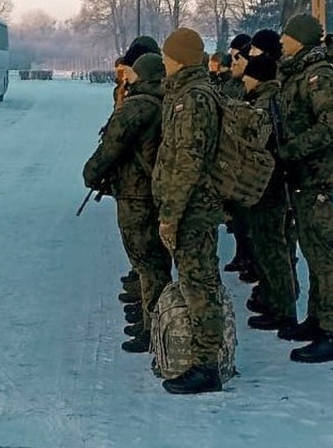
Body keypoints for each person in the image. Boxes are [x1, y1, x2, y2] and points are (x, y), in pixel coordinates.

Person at [152, 28, 225, 394]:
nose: (163, 61)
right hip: (191, 209)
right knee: (197, 284)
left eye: (167, 55)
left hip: (193, 211)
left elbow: (188, 163)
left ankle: (206, 366)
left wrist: (171, 215)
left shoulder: (193, 100)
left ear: (178, 58)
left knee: (199, 288)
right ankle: (205, 359)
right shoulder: (185, 94)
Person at [84, 53, 173, 353]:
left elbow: (112, 144)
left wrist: (92, 172)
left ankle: (153, 329)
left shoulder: (138, 106)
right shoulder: (163, 102)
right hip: (154, 190)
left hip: (136, 192)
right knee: (155, 261)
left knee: (147, 263)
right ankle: (153, 322)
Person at [276, 14, 333, 363]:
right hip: (303, 178)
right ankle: (317, 321)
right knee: (312, 252)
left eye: (287, 35)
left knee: (324, 257)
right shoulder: (299, 73)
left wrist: (292, 150)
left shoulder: (318, 76)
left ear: (301, 40)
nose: (282, 40)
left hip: (316, 176)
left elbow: (329, 125)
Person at [240, 54, 298, 331]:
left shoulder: (266, 104)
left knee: (272, 249)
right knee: (268, 247)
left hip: (270, 187)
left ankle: (283, 311)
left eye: (248, 75)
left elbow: (258, 145)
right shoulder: (273, 99)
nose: (243, 79)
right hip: (271, 185)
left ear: (258, 78)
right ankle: (276, 304)